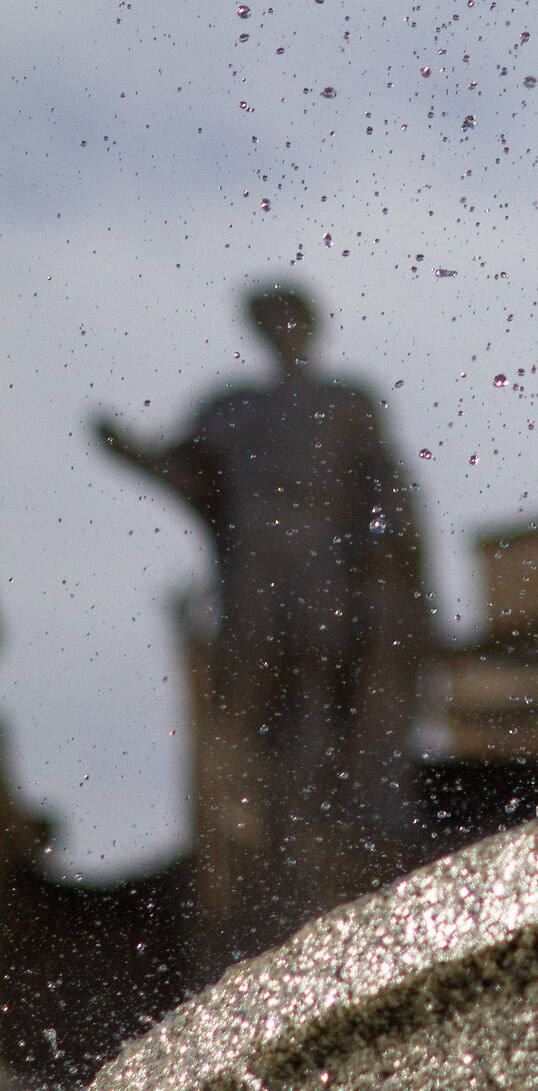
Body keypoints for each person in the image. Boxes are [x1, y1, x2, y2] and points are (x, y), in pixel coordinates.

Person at [92, 284, 430, 975]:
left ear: (310, 326)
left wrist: (394, 574)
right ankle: (268, 809)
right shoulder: (231, 408)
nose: (283, 331)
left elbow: (386, 488)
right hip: (254, 549)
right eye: (270, 321)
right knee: (256, 679)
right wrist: (127, 452)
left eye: (291, 319)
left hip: (323, 546)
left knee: (322, 669)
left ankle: (330, 801)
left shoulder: (347, 402)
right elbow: (186, 474)